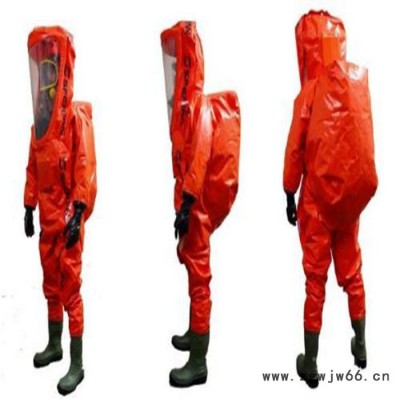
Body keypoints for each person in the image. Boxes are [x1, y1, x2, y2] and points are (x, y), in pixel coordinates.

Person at [283, 10, 377, 388]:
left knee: (315, 280)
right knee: (353, 272)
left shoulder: (309, 93)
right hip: (348, 201)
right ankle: (361, 345)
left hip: (317, 203)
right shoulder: (355, 86)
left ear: (306, 49)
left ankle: (311, 362)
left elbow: (295, 149)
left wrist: (288, 190)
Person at [161, 21, 240, 388]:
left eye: (179, 64)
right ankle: (194, 335)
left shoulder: (199, 110)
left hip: (197, 207)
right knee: (194, 274)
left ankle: (198, 362)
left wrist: (188, 202)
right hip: (190, 205)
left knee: (199, 280)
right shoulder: (187, 111)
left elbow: (200, 157)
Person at [24, 26, 97, 396]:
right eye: (43, 70)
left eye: (52, 69)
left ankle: (77, 363)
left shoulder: (74, 121)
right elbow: (32, 169)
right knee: (50, 286)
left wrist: (78, 212)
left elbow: (84, 168)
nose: (47, 78)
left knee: (70, 289)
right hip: (47, 223)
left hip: (67, 223)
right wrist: (28, 206)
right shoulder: (39, 126)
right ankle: (55, 345)